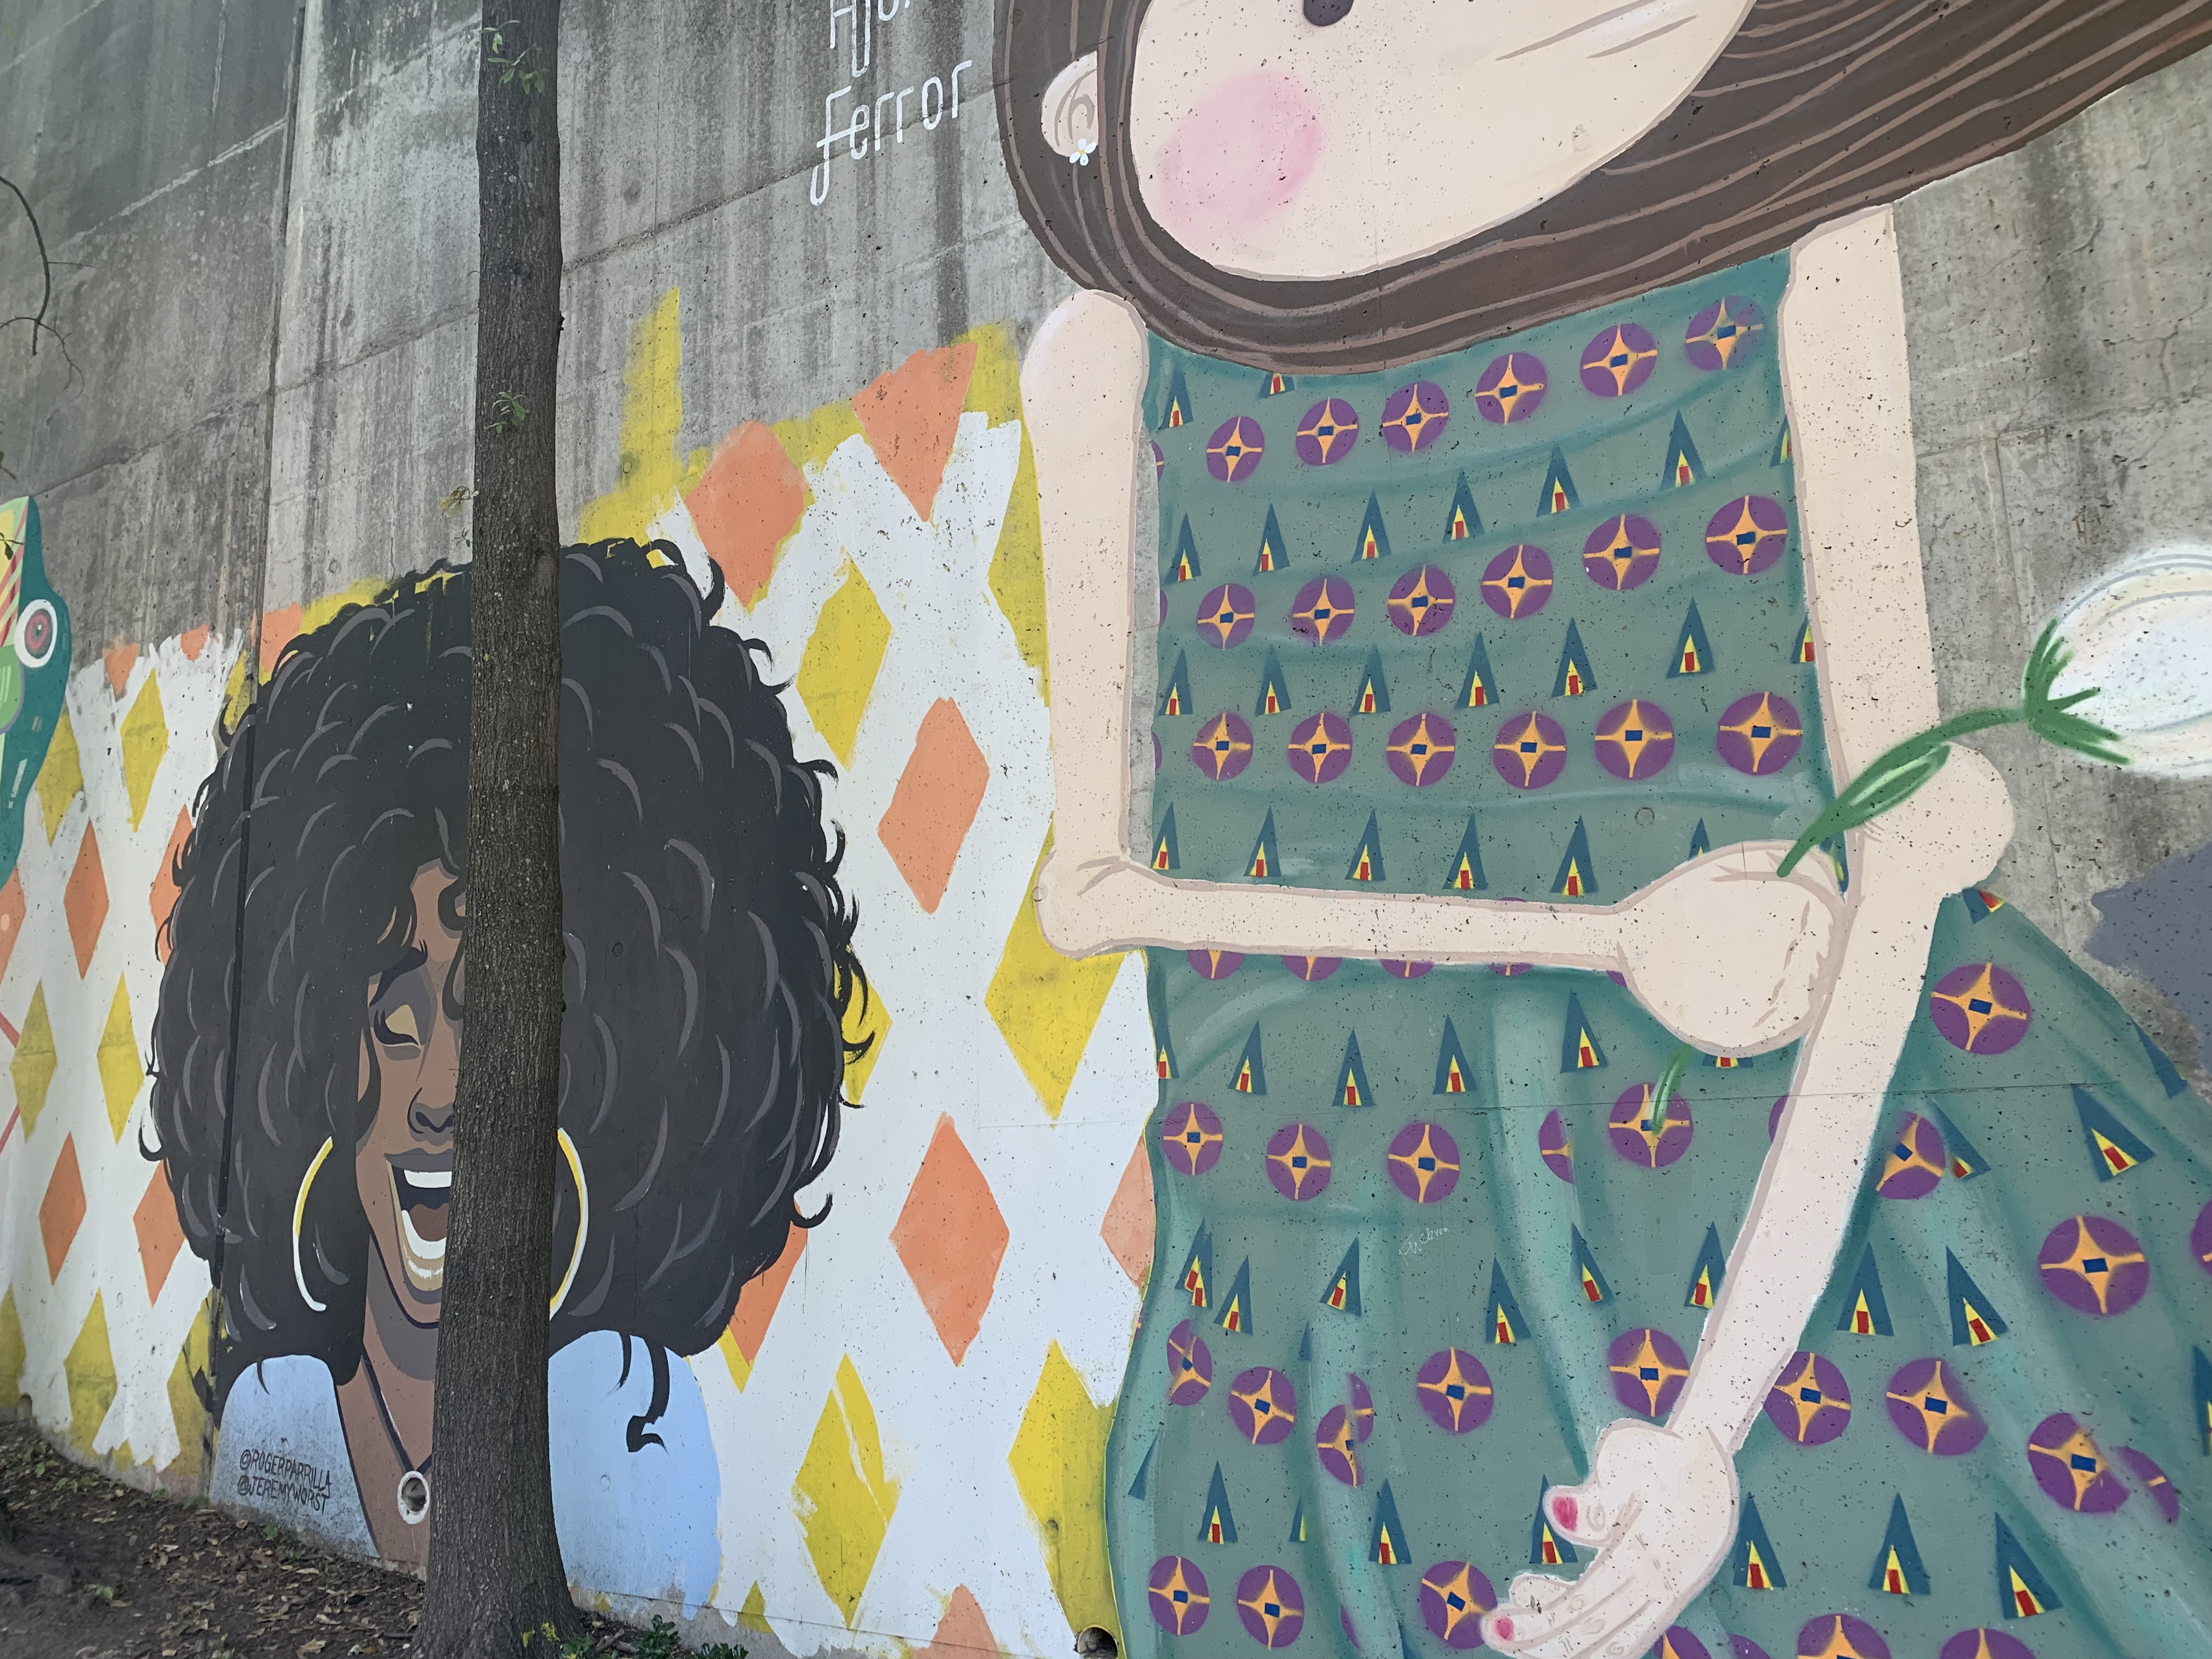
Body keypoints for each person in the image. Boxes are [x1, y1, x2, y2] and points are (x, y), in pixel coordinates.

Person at [995, 4, 2212, 1657]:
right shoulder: (1115, 360)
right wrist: (1609, 939)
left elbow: (1902, 838)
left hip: (1813, 1146)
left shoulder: (1802, 235)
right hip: (1322, 1203)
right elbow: (1091, 890)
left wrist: (1713, 1428)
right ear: (1086, 93)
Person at [147, 541, 866, 1607]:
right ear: (313, 1068)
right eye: (395, 1026)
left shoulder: (641, 1435)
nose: (442, 1093)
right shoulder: (267, 1414)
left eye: (492, 1026)